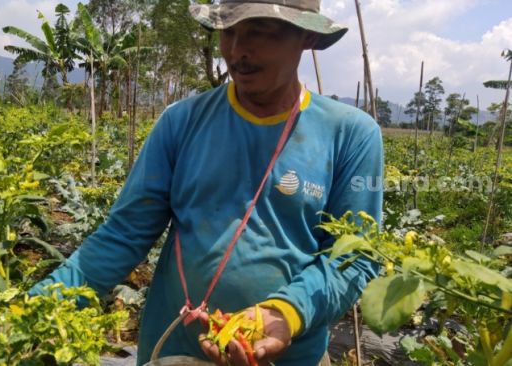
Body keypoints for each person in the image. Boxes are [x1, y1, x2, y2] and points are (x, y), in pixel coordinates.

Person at [30, 0, 383, 365]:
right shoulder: (181, 122)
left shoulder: (350, 135)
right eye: (228, 31)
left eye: (260, 32)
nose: (237, 51)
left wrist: (286, 313)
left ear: (306, 36)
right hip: (175, 349)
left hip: (291, 356)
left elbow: (353, 257)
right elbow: (122, 235)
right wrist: (30, 315)